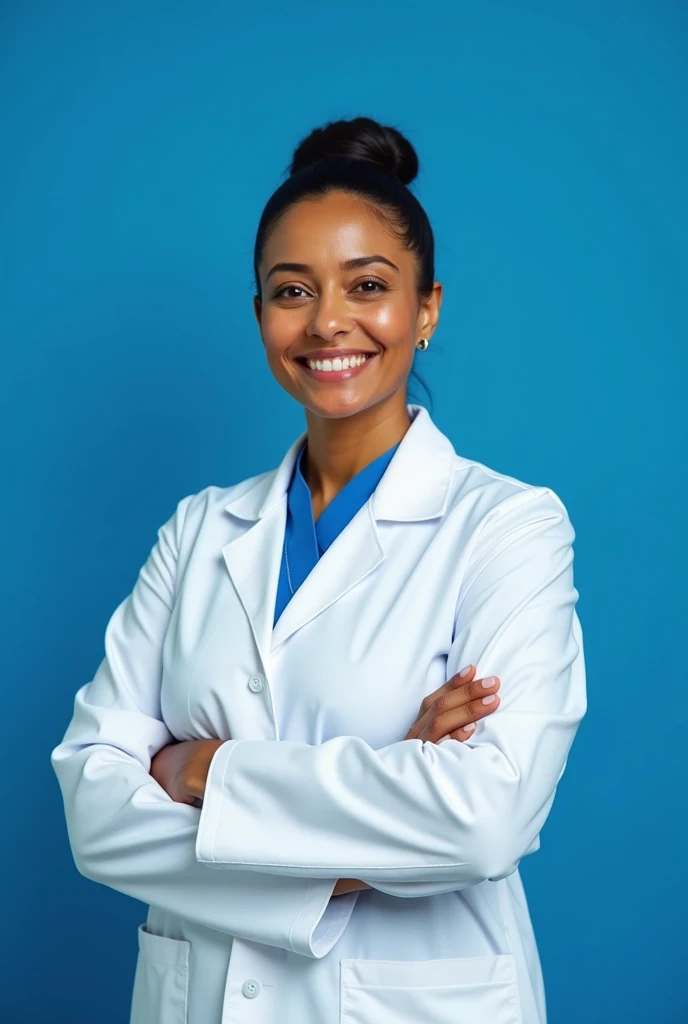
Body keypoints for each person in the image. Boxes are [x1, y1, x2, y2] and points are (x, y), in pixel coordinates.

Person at [50, 115, 587, 1024]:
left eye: (368, 286)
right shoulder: (198, 532)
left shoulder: (507, 527)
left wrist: (203, 768)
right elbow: (94, 809)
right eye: (291, 289)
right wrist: (377, 807)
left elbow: (486, 818)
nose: (328, 321)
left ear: (426, 309)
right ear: (260, 314)